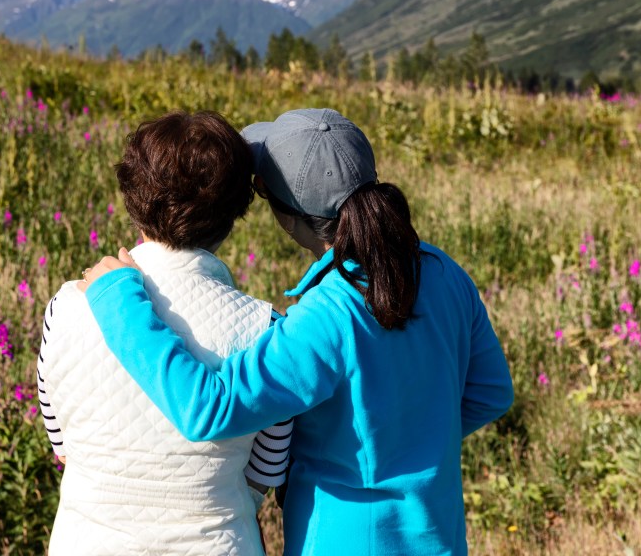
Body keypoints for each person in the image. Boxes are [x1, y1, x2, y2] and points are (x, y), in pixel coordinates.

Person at [79, 108, 513, 556]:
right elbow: (492, 392)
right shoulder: (443, 273)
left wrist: (118, 301)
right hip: (440, 537)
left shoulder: (328, 314)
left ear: (289, 216)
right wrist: (410, 441)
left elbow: (206, 410)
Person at [38, 110, 292, 556]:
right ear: (235, 213)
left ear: (134, 198)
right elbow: (266, 473)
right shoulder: (268, 331)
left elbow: (62, 444)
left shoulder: (66, 306)